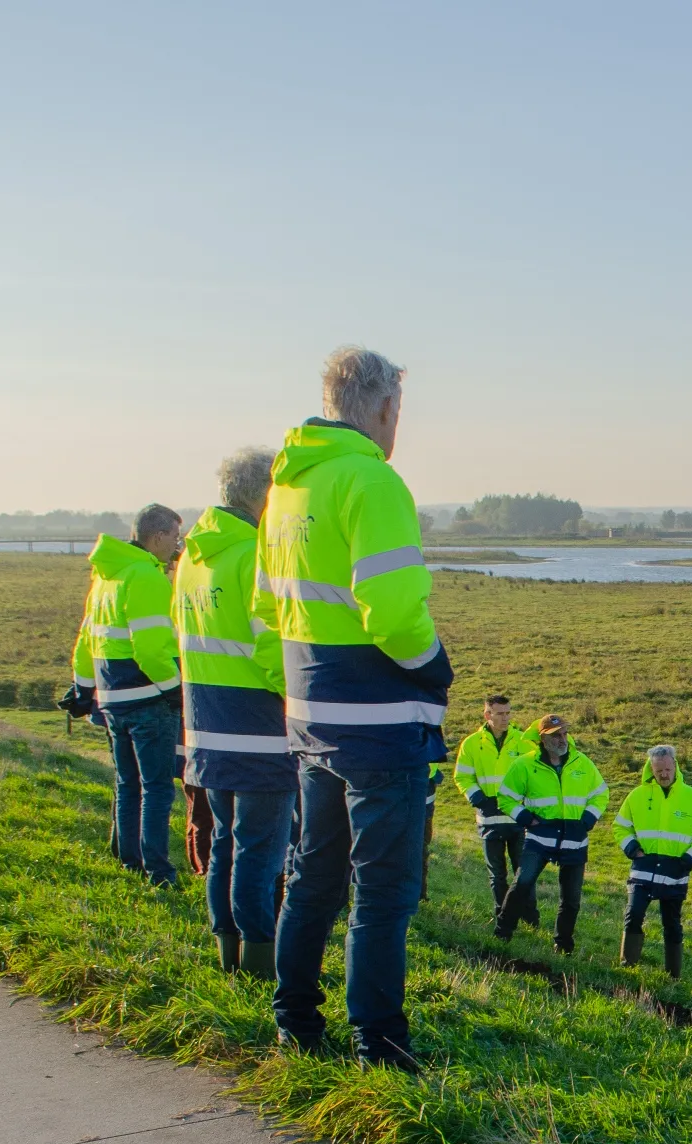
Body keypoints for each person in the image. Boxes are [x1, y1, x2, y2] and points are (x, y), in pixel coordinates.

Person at [257, 346, 455, 1069]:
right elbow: (397, 613)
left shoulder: (286, 489)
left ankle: (296, 1025)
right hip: (379, 724)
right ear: (382, 407)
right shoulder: (372, 481)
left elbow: (263, 610)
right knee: (382, 893)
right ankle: (378, 1043)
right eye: (400, 409)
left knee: (313, 876)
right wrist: (436, 666)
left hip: (311, 716)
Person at [172, 448, 290, 976]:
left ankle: (228, 956)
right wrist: (304, 698)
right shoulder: (252, 556)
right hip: (260, 731)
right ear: (259, 494)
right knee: (261, 853)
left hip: (206, 726)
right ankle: (261, 961)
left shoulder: (193, 561)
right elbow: (270, 650)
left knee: (225, 843)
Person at [71, 505, 184, 885]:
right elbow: (150, 649)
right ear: (156, 537)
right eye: (173, 537)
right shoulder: (145, 577)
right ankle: (159, 871)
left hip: (112, 698)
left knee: (127, 782)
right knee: (156, 787)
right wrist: (175, 691)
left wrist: (84, 690)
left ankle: (127, 859)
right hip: (148, 698)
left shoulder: (107, 576)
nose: (176, 545)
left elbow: (86, 643)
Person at [492, 715, 606, 955]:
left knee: (571, 898)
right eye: (555, 735)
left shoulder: (582, 762)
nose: (562, 739)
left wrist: (588, 818)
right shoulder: (524, 765)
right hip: (539, 837)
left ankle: (563, 946)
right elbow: (505, 797)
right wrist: (525, 818)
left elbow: (601, 794)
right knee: (522, 883)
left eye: (564, 733)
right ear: (542, 738)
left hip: (574, 838)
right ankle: (502, 933)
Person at [615, 744, 692, 977]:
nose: (664, 775)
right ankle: (627, 969)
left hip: (675, 872)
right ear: (651, 769)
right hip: (642, 870)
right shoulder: (636, 796)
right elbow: (620, 827)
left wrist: (688, 861)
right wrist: (633, 850)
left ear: (675, 766)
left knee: (672, 924)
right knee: (633, 916)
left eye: (668, 769)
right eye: (659, 771)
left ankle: (673, 976)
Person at [451, 695, 536, 913]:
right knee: (497, 874)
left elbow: (534, 777)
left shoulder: (523, 741)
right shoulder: (471, 744)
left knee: (523, 872)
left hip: (518, 819)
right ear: (487, 715)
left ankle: (529, 916)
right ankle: (502, 915)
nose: (506, 717)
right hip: (488, 819)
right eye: (500, 713)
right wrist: (478, 798)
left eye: (508, 712)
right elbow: (462, 777)